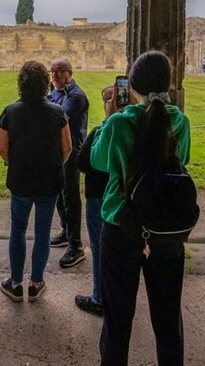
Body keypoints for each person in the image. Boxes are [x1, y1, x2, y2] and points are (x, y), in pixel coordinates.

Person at [91, 50, 191, 366]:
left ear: (131, 87)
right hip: (165, 229)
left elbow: (97, 160)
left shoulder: (120, 122)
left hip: (122, 225)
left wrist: (109, 117)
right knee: (168, 320)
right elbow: (182, 161)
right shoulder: (180, 120)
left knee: (117, 320)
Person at [0, 61, 72, 302]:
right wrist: (52, 162)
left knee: (17, 231)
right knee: (42, 232)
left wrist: (14, 163)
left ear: (21, 83)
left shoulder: (10, 111)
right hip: (49, 180)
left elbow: (2, 150)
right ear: (44, 83)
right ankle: (36, 282)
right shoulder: (57, 112)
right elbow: (67, 148)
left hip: (20, 180)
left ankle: (16, 283)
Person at [73, 86, 113, 317]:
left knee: (99, 246)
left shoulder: (101, 131)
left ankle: (99, 297)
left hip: (99, 196)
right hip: (127, 198)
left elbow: (83, 163)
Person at [48, 58, 89, 268]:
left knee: (71, 197)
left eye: (59, 71)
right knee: (58, 195)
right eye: (52, 72)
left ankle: (76, 246)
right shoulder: (55, 92)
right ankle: (66, 231)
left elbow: (58, 117)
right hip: (57, 151)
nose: (54, 76)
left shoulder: (77, 96)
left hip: (72, 152)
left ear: (69, 73)